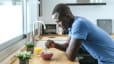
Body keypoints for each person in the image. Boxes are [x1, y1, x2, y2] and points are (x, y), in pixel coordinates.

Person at [45, 3, 114, 64]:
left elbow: (71, 56)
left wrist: (69, 49)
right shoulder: (73, 24)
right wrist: (54, 44)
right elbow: (67, 46)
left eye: (59, 21)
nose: (58, 25)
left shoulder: (79, 24)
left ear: (67, 16)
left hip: (110, 60)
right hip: (104, 59)